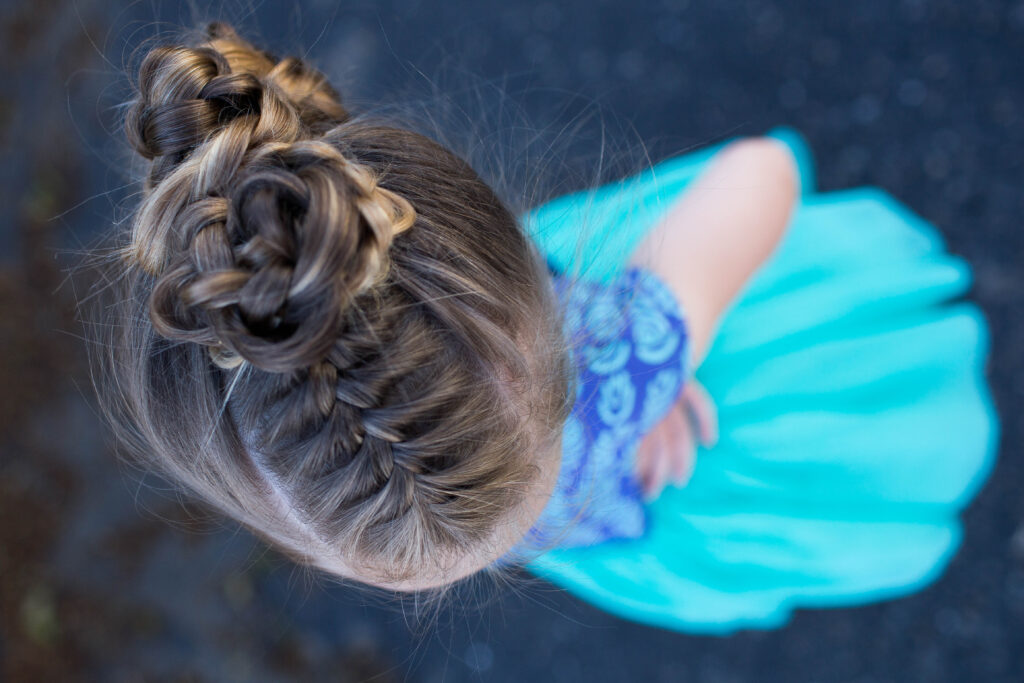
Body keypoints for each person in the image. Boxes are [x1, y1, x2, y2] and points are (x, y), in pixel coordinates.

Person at [94, 23, 998, 632]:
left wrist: (675, 349)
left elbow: (762, 172)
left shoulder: (637, 354)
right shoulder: (306, 434)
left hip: (683, 383)